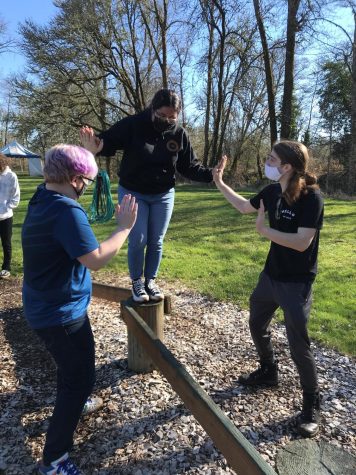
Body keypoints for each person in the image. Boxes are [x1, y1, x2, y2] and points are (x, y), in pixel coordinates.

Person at [21, 144, 137, 475]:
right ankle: (54, 460)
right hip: (59, 315)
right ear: (75, 180)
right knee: (79, 375)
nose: (86, 187)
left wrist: (85, 154)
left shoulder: (42, 197)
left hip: (45, 306)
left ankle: (77, 399)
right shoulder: (66, 212)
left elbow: (67, 166)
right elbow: (96, 259)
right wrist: (124, 227)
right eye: (85, 180)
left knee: (73, 367)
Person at [213, 140, 324, 438]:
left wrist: (265, 232)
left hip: (296, 283)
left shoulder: (312, 198)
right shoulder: (272, 191)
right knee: (256, 322)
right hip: (270, 277)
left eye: (272, 158)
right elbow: (241, 206)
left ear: (286, 166)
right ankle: (268, 370)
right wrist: (219, 181)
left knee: (298, 343)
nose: (267, 162)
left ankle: (311, 402)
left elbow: (302, 242)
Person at [80, 88, 214, 303]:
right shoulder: (134, 123)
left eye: (172, 117)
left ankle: (150, 280)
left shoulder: (179, 133)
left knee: (156, 241)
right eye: (162, 115)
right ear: (153, 109)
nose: (167, 120)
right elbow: (109, 141)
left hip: (163, 194)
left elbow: (189, 166)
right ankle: (137, 282)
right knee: (138, 239)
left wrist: (212, 175)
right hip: (133, 191)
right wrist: (95, 145)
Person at [0, 153, 20, 279]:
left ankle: (6, 267)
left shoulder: (11, 176)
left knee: (6, 243)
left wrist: (4, 209)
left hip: (5, 217)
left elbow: (16, 198)